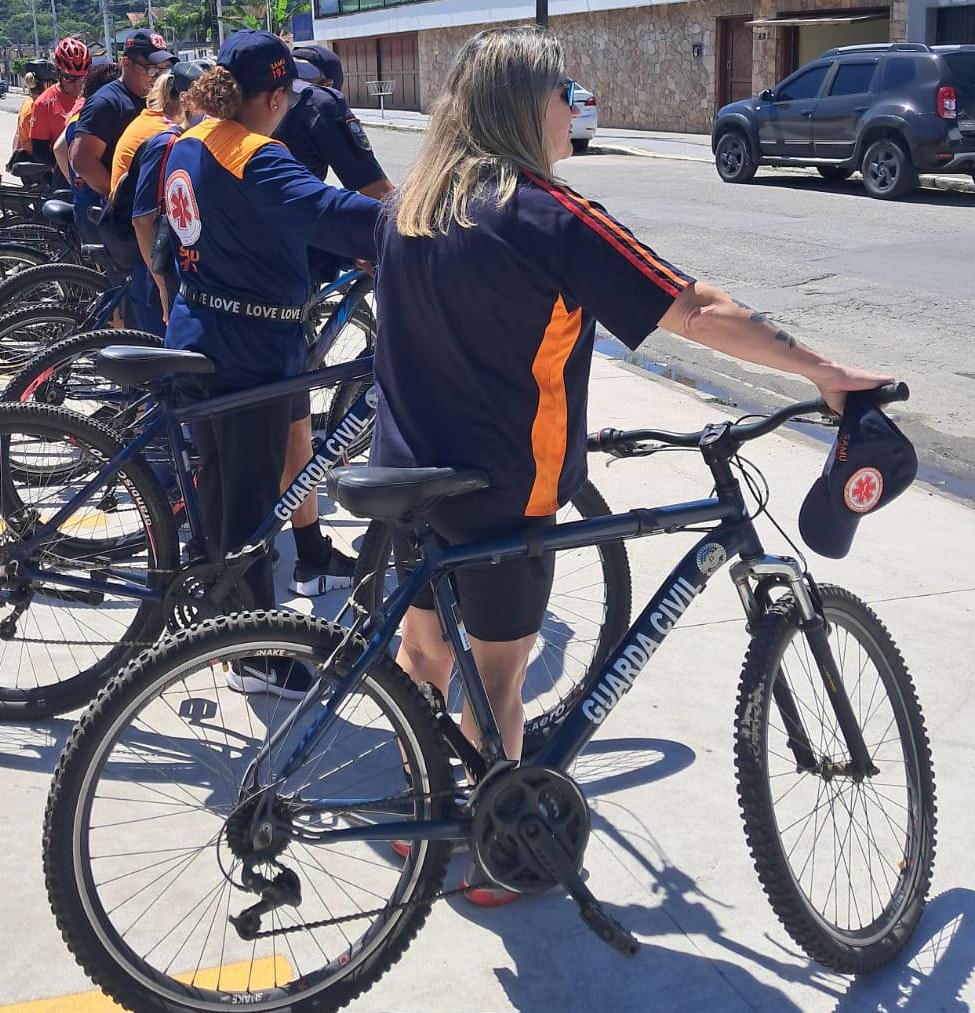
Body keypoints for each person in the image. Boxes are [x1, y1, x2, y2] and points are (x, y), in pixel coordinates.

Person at [371, 26, 892, 905]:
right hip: (504, 490)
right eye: (559, 91)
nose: (571, 106)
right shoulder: (548, 216)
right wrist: (824, 374)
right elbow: (691, 307)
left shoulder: (411, 210)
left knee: (420, 653)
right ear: (522, 107)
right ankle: (497, 863)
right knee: (497, 677)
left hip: (405, 476)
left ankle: (419, 818)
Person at [158, 31, 380, 696]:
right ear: (277, 95)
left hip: (200, 330)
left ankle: (221, 619)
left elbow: (175, 247)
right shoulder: (256, 155)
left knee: (225, 491)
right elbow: (330, 209)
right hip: (251, 348)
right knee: (251, 507)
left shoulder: (188, 143)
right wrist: (420, 229)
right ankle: (252, 655)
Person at [272, 45, 396, 596]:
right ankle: (310, 555)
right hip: (277, 276)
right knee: (293, 412)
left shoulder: (216, 121)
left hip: (203, 264)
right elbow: (375, 193)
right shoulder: (320, 101)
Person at [108, 63, 204, 334]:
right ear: (187, 100)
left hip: (165, 262)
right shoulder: (166, 142)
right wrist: (160, 281)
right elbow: (143, 218)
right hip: (152, 266)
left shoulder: (185, 138)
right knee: (163, 360)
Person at [70, 30, 173, 247]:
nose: (158, 76)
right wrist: (117, 196)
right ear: (126, 63)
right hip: (113, 210)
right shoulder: (106, 102)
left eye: (164, 69)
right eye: (152, 68)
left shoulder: (150, 99)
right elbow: (81, 159)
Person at [53, 62, 121, 188]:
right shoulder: (103, 119)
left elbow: (58, 148)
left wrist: (73, 181)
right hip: (100, 201)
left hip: (82, 199)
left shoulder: (78, 118)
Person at [30, 38, 90, 177]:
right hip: (63, 174)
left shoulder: (97, 95)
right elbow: (40, 151)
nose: (78, 85)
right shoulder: (43, 104)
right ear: (58, 74)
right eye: (69, 78)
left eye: (83, 78)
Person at [12, 71, 41, 154]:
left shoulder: (26, 102)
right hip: (38, 161)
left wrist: (14, 158)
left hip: (26, 158)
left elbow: (18, 135)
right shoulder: (39, 108)